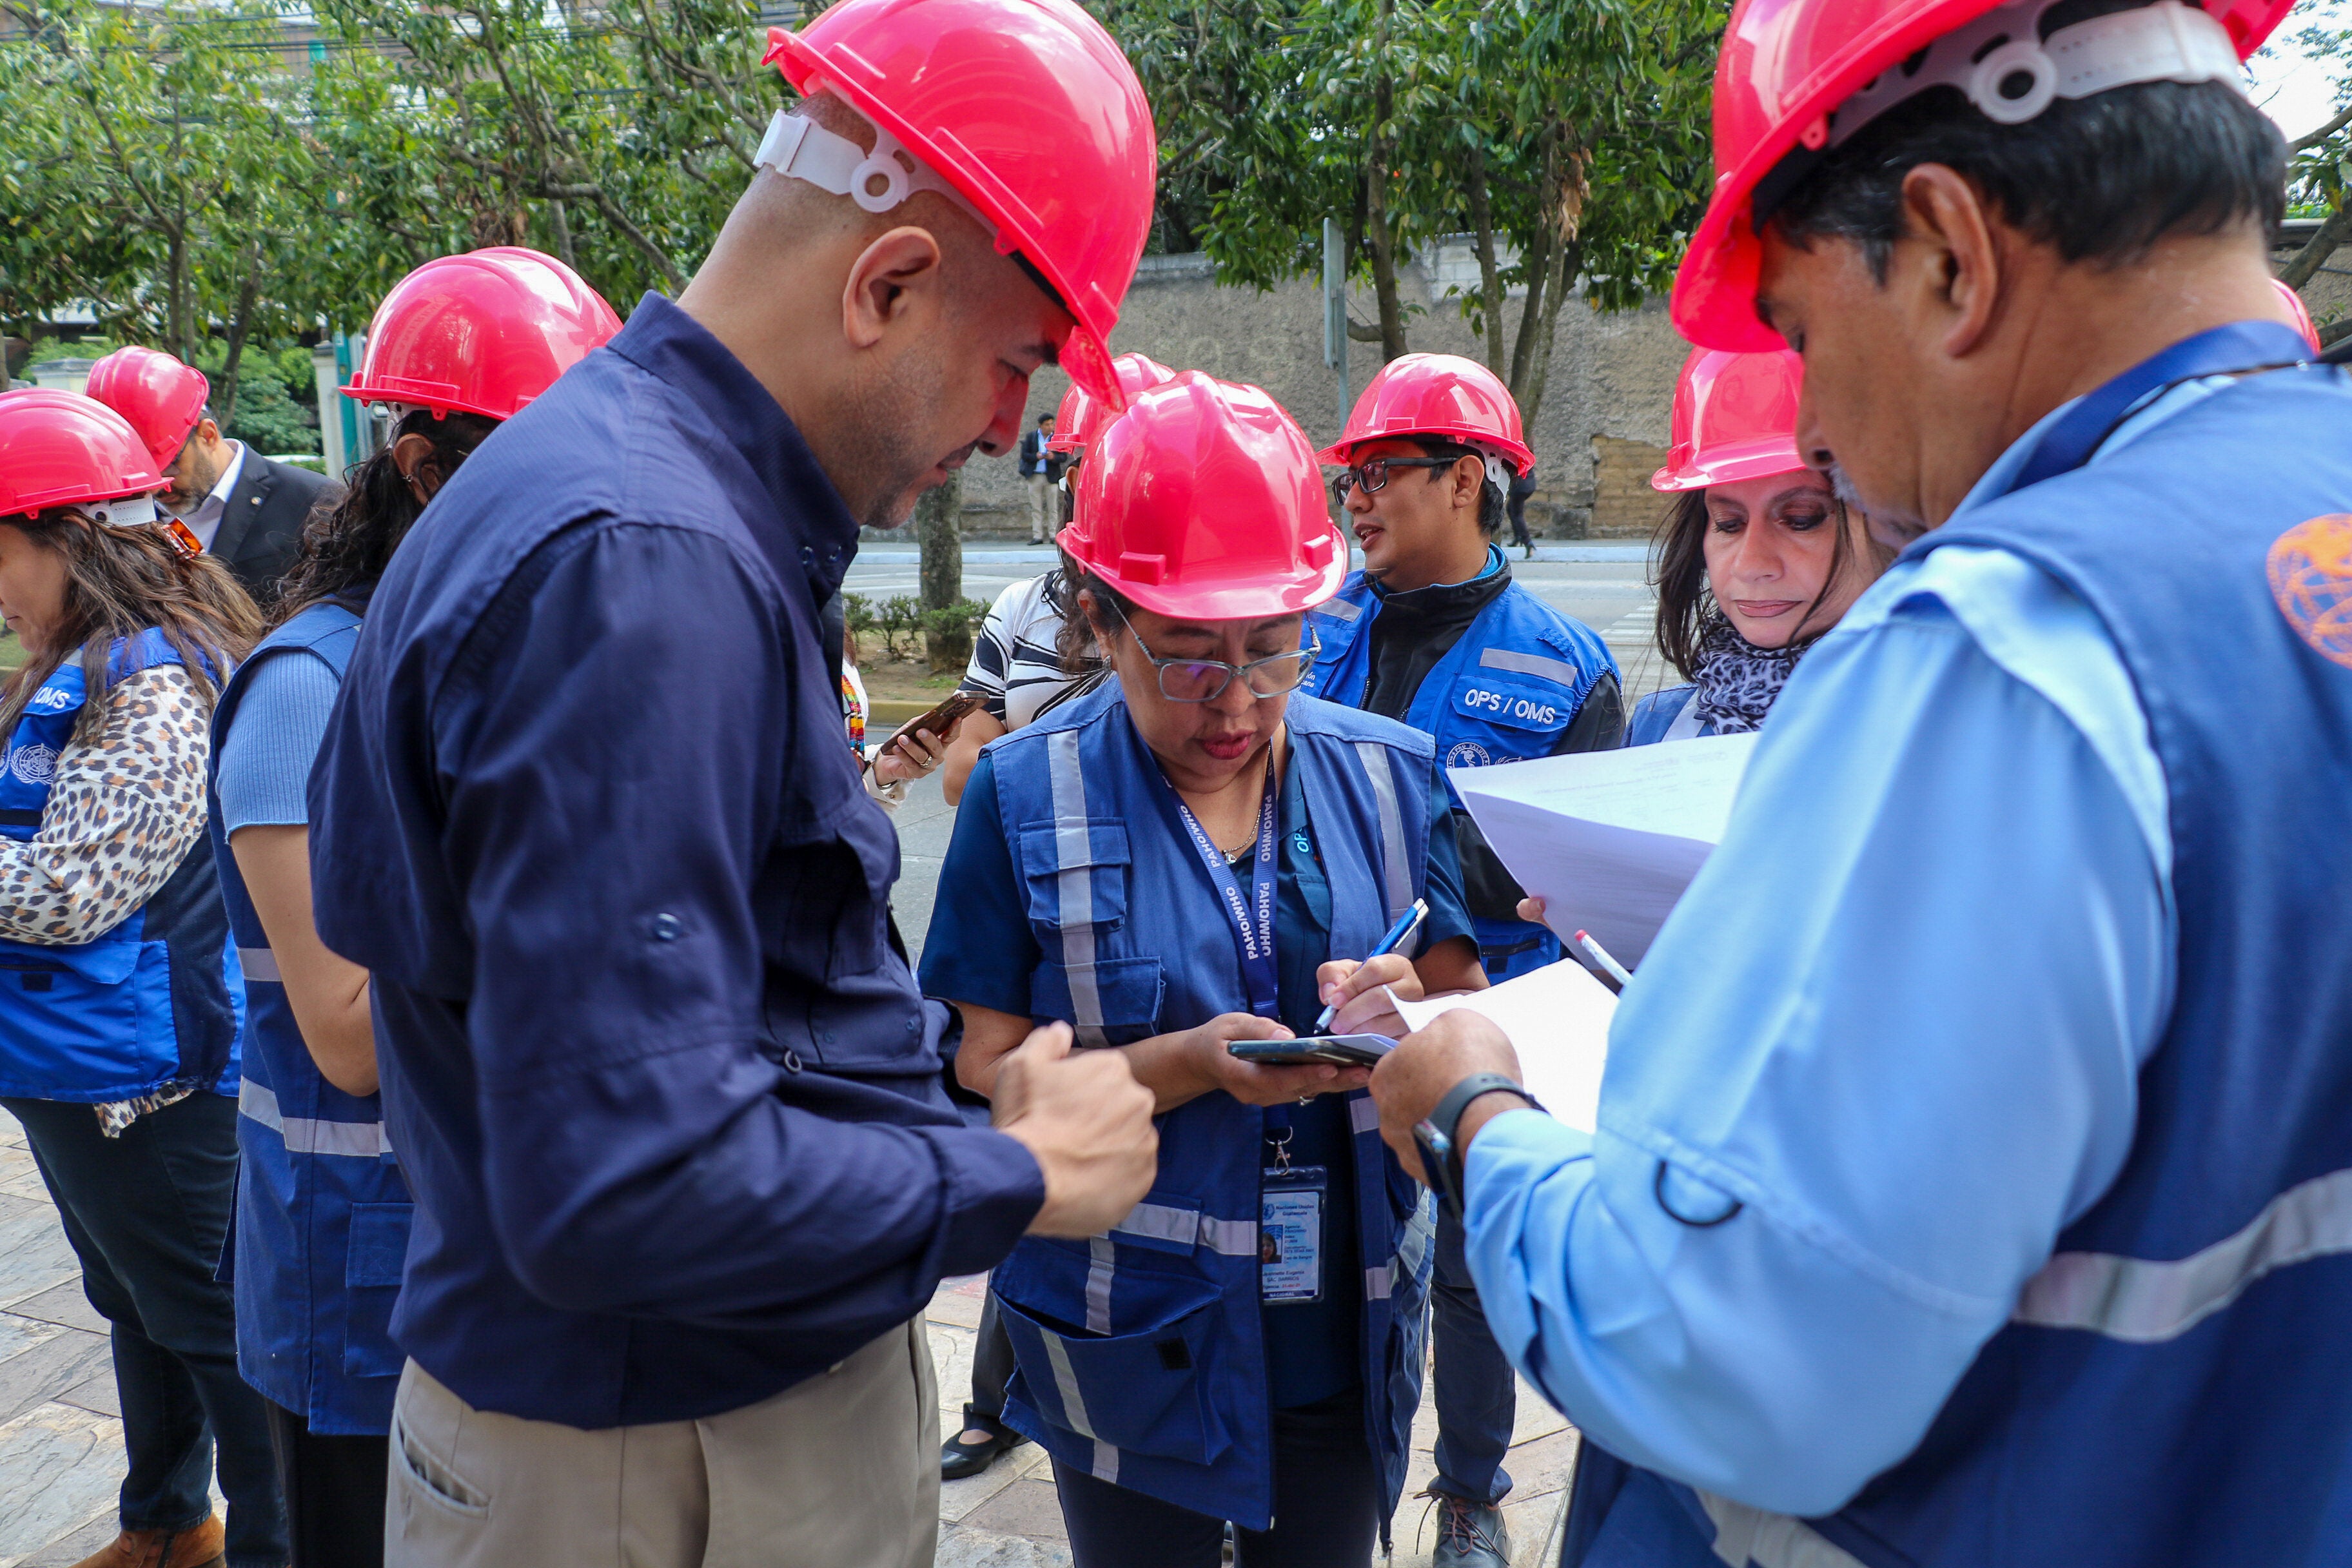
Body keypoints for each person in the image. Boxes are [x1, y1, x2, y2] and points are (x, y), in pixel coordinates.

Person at [1368, 1, 2352, 1566]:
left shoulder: (2002, 649)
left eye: (1806, 337)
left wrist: (1476, 1112)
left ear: (1949, 250)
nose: (1815, 426)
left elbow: (1723, 1358)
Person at [305, 2, 1164, 1562]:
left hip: (640, 1425)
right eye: (1016, 365)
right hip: (664, 1455)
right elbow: (626, 1181)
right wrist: (1014, 1173)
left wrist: (948, 1105)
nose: (1009, 429)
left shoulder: (626, 491)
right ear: (887, 282)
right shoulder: (646, 563)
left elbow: (723, 1004)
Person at [922, 370, 1489, 1567]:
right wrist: (1181, 1063)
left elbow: (1461, 999)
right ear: (1100, 620)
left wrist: (1415, 1014)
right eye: (1186, 659)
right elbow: (980, 1061)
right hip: (1127, 1322)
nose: (1236, 703)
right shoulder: (1022, 794)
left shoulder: (1390, 774)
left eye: (1273, 653)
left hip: (1343, 1317)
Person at [208, 248, 619, 1568]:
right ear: (427, 470)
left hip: (492, 1245)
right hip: (357, 1270)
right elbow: (344, 1029)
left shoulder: (496, 662)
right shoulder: (307, 694)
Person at [1295, 352, 1616, 1565]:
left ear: (1466, 479)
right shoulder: (1313, 627)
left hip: (1487, 1016)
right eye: (1349, 480)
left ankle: (1472, 1491)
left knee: (1477, 1269)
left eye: (1381, 473)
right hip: (1329, 1004)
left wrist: (1432, 919)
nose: (1357, 500)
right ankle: (1309, 1471)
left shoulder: (1567, 664)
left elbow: (1568, 872)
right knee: (1323, 1242)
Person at [0, 390, 279, 1568]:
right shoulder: (85, 661)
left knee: (216, 1331)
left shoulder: (151, 683)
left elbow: (73, 890)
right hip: (79, 1065)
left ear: (71, 539)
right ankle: (167, 1523)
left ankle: (276, 1544)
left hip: (148, 1082)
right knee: (138, 1302)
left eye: (0, 557)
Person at [943, 352, 1175, 809]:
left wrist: (1018, 759)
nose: (1137, 484)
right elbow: (959, 776)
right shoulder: (1021, 607)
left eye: (1157, 466)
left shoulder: (1204, 613)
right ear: (1075, 480)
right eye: (1116, 463)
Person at [1625, 347, 1888, 745]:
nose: (1750, 565)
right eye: (1728, 524)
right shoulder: (1659, 727)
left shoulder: (1958, 728)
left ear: (1894, 522)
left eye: (1801, 520)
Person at [86, 344, 337, 602]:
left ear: (208, 435)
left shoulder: (313, 501)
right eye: (140, 473)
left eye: (169, 465)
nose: (156, 487)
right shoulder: (114, 516)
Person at [1021, 412, 1059, 544]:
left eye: (1052, 424)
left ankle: (1053, 535)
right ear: (1040, 426)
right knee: (1036, 508)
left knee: (1053, 508)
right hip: (1035, 476)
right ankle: (1038, 536)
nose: (1050, 427)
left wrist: (1053, 457)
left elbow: (1063, 456)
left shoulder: (1056, 438)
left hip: (1051, 477)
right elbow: (1024, 455)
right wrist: (1035, 457)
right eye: (1047, 425)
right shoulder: (1031, 437)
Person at [1505, 467, 1537, 558]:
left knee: (1517, 514)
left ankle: (1527, 542)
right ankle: (1517, 537)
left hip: (1520, 487)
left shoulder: (1516, 459)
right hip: (1529, 483)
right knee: (1510, 508)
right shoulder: (1526, 458)